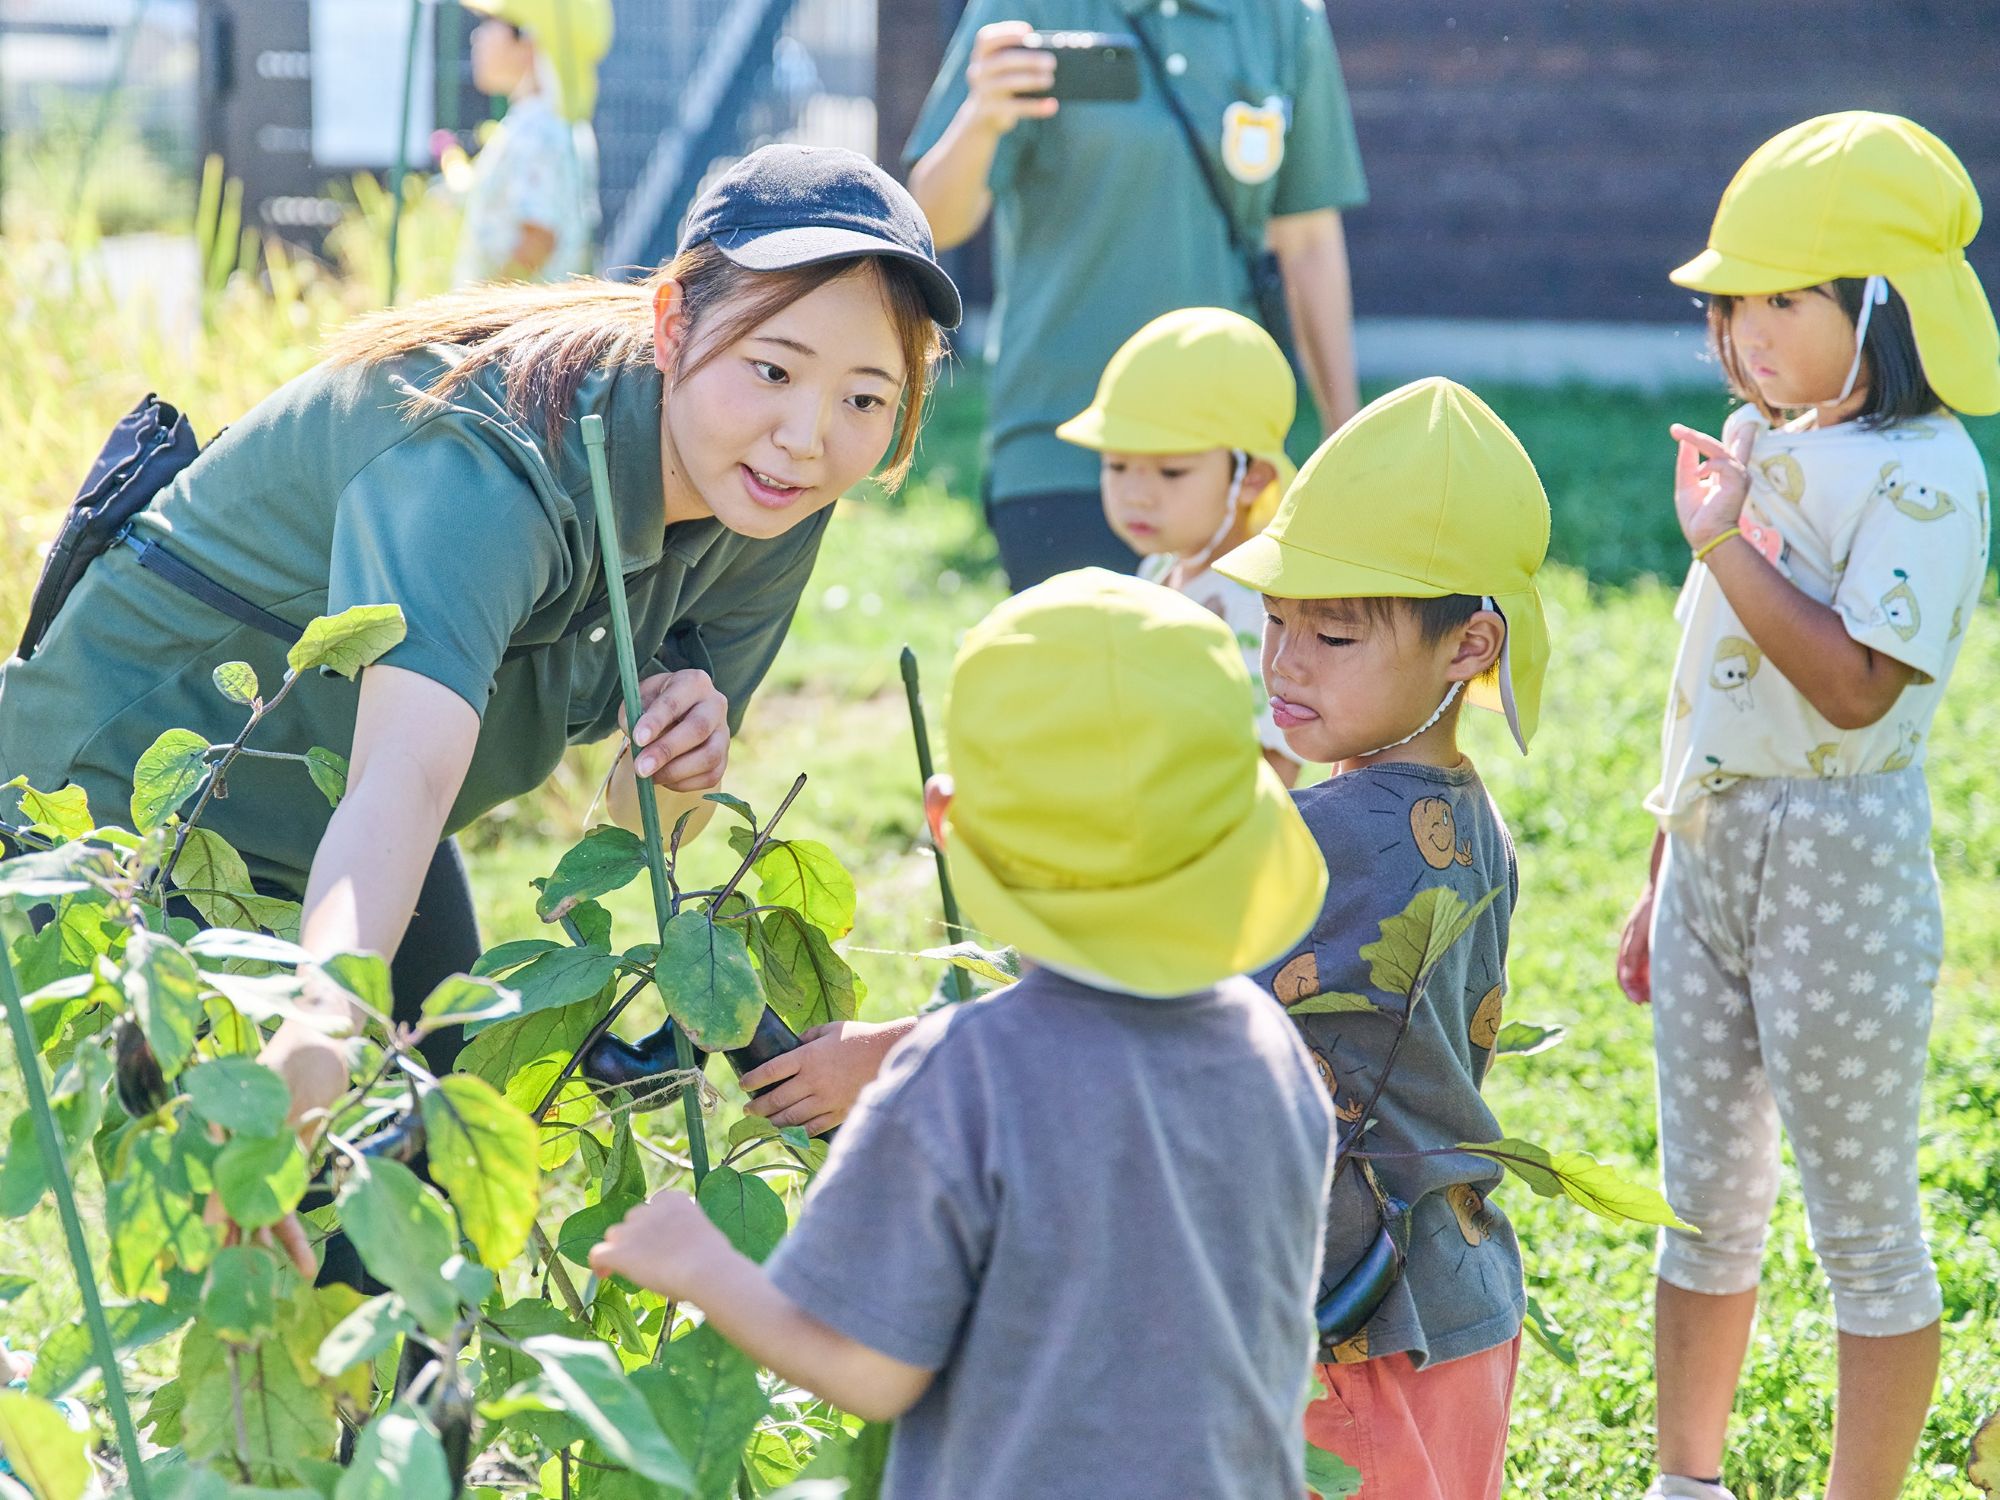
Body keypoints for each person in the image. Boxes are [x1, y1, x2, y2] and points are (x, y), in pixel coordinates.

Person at [0, 144, 960, 1273]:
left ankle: (394, 1434)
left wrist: (672, 774)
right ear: (672, 324)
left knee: (430, 1214)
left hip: (341, 828)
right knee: (288, 1246)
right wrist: (321, 1020)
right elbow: (398, 776)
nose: (808, 434)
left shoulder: (774, 497)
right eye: (773, 370)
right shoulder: (483, 461)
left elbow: (625, 826)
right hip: (122, 817)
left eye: (864, 399)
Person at [591, 568, 1334, 1498]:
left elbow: (868, 1365)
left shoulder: (962, 1075)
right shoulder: (1269, 1047)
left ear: (948, 822)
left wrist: (698, 1263)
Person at [1616, 113, 1997, 1500]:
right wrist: (1662, 868)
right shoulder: (1753, 440)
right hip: (1717, 846)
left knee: (1862, 1216)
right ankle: (1686, 1479)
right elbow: (1702, 686)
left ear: (1881, 309)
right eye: (1734, 302)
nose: (1746, 332)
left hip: (1839, 849)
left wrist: (1724, 537)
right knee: (1698, 1204)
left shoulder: (1928, 476)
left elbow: (1849, 689)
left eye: (1788, 300)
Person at [1212, 376, 1554, 1500]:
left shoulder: (1336, 832)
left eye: (1334, 633)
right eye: (1274, 623)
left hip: (1354, 1323)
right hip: (1451, 1296)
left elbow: (1151, 993)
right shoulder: (1463, 807)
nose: (1284, 664)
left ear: (1468, 646)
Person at [904, 0, 1368, 589]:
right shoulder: (1024, 6)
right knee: (1075, 676)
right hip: (1060, 440)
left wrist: (1344, 440)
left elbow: (1307, 243)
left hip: (1222, 456)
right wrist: (981, 117)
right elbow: (935, 224)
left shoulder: (1282, 18)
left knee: (1228, 676)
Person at [1057, 306, 1306, 784]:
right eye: (1117, 465)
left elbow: (1276, 759)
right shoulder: (1157, 568)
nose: (1136, 493)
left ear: (1251, 477)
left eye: (1171, 471)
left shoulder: (1253, 603)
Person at [450, 0, 611, 286]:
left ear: (529, 39)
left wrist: (482, 315)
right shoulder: (542, 123)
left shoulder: (541, 130)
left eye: (491, 24)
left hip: (513, 323)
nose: (477, 37)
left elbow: (538, 238)